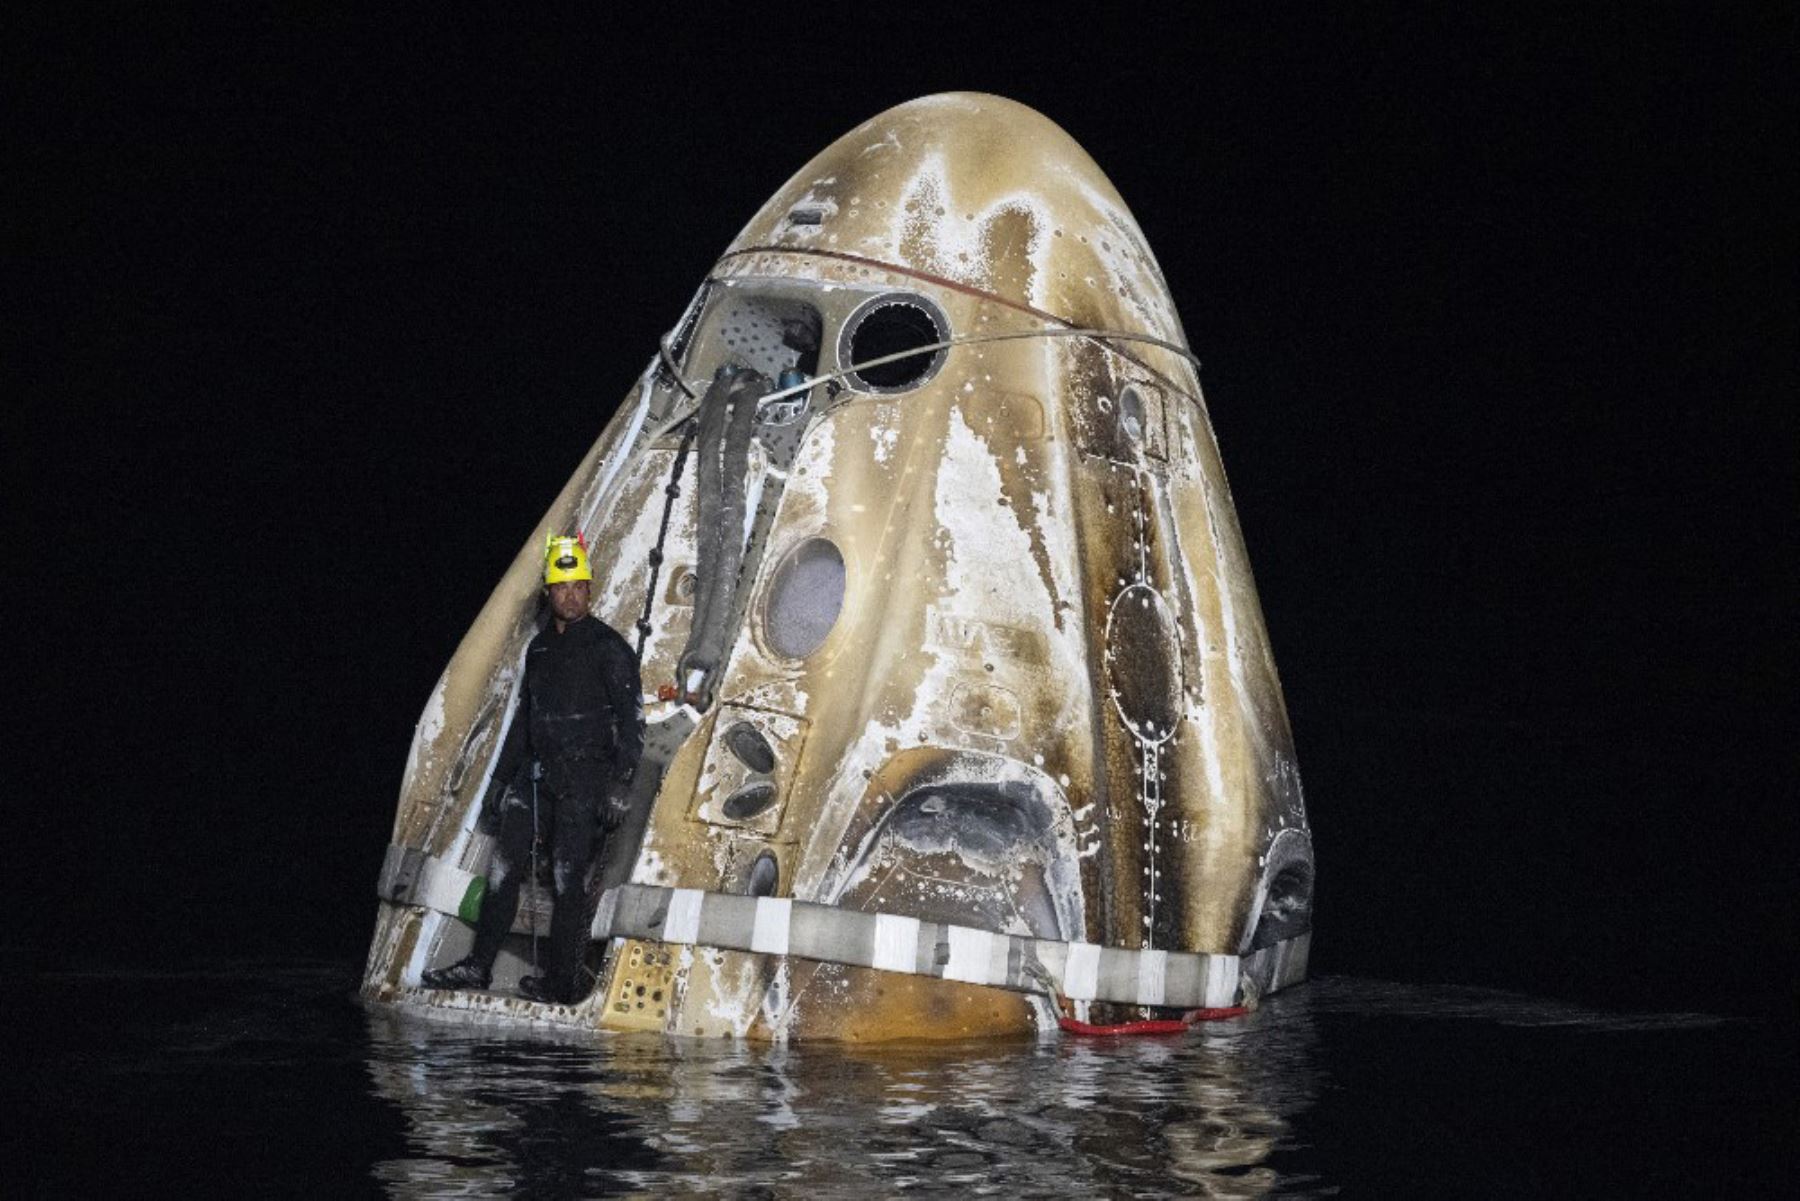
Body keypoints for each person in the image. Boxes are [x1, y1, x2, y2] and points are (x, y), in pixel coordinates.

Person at [422, 533, 644, 1003]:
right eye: (561, 587)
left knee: (568, 881)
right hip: (536, 776)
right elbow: (523, 721)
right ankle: (478, 966)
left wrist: (621, 783)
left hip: (586, 781)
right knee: (503, 871)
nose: (570, 595)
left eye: (578, 586)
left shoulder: (610, 648)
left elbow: (632, 721)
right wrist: (499, 784)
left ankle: (561, 981)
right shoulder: (539, 649)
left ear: (590, 588)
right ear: (549, 593)